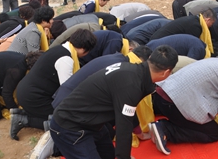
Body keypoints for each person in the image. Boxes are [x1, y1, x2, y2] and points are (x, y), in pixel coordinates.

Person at [50, 45, 178, 159]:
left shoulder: (135, 72)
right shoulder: (132, 83)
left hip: (93, 123)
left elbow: (128, 109)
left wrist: (139, 133)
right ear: (166, 72)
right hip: (70, 126)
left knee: (109, 155)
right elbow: (124, 127)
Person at [149, 58, 218, 155]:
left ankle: (168, 123)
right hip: (174, 104)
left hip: (161, 94)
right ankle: (166, 129)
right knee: (213, 132)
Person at [11, 29, 97, 140]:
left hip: (27, 91)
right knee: (65, 119)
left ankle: (24, 113)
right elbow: (67, 90)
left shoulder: (59, 48)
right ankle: (24, 120)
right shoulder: (66, 60)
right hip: (33, 97)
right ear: (84, 49)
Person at [150, 9, 217, 55]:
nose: (211, 26)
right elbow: (193, 45)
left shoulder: (194, 19)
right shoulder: (195, 26)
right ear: (208, 20)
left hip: (156, 40)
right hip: (159, 44)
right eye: (212, 23)